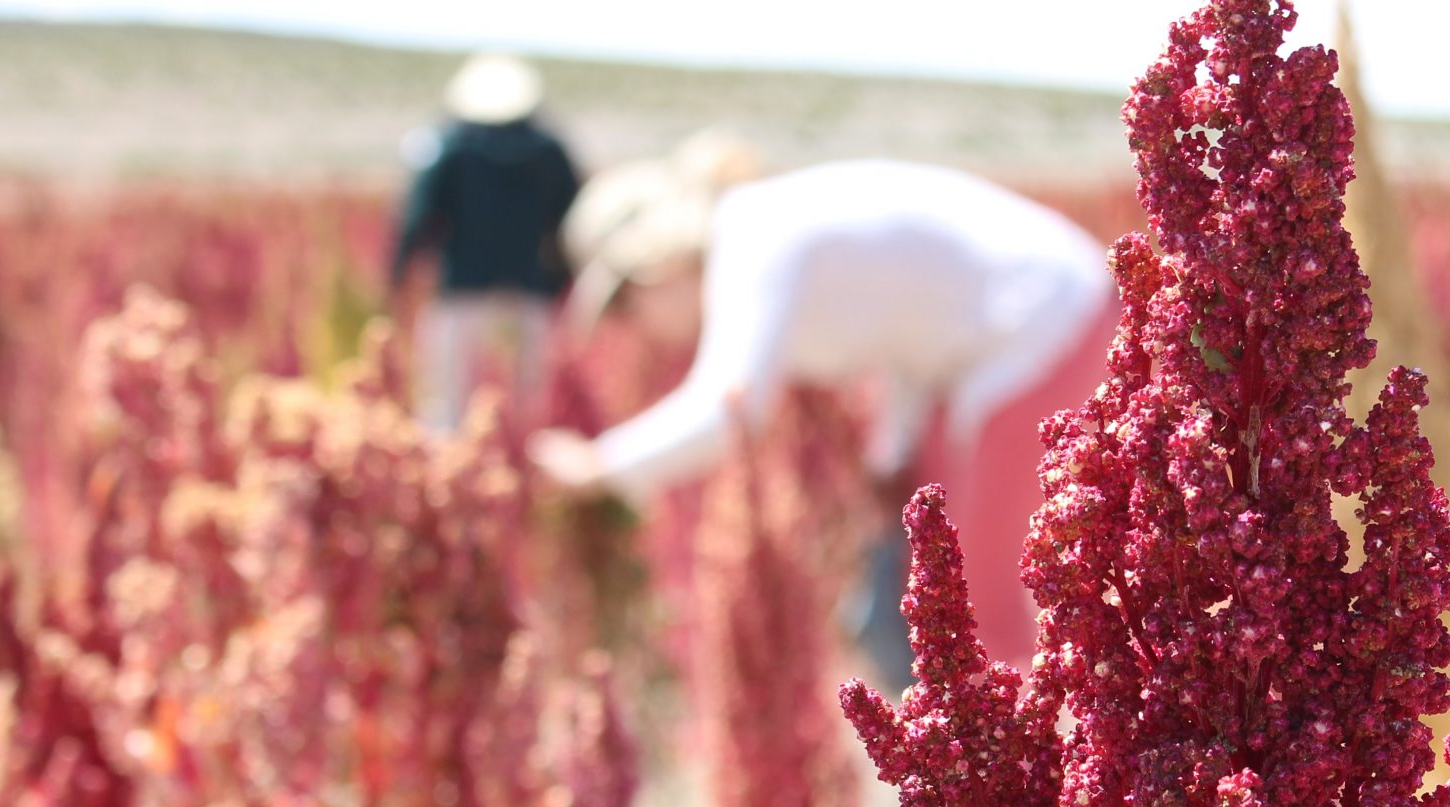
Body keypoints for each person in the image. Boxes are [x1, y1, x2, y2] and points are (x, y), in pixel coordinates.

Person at [531, 140, 1115, 673]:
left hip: (1051, 317)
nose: (634, 330)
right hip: (987, 348)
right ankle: (973, 743)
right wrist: (895, 454)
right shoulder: (757, 227)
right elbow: (908, 342)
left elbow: (729, 408)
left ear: (656, 265)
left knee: (975, 584)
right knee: (933, 568)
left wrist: (598, 467)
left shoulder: (753, 238)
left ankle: (1014, 765)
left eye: (626, 307)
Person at [389, 51, 582, 433]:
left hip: (462, 291)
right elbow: (572, 222)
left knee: (448, 407)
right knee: (526, 407)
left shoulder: (451, 147)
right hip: (529, 293)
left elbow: (418, 216)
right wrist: (561, 284)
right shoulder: (550, 150)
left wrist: (396, 275)